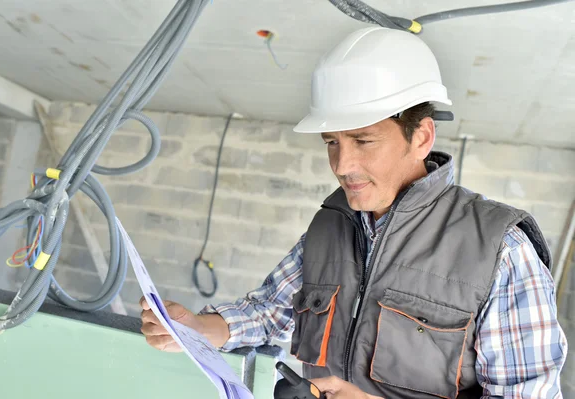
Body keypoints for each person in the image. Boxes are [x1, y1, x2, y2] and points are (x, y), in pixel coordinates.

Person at [140, 27, 568, 398]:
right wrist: (201, 328)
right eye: (331, 141)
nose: (342, 165)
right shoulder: (332, 223)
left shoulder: (499, 250)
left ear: (420, 136)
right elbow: (273, 310)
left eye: (363, 141)